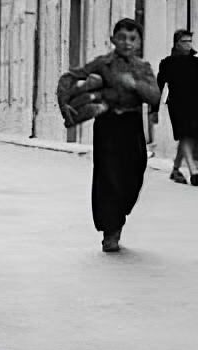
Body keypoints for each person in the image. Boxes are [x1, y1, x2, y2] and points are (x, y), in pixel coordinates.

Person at [61, 18, 160, 253]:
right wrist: (67, 102)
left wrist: (135, 85)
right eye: (122, 37)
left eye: (132, 38)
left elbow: (155, 97)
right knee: (108, 177)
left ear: (139, 42)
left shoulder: (143, 68)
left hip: (132, 125)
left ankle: (119, 215)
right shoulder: (102, 64)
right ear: (113, 39)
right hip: (107, 125)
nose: (127, 42)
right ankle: (111, 231)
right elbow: (71, 78)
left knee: (134, 174)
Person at [155, 29, 198, 186]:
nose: (188, 45)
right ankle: (193, 171)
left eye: (190, 41)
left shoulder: (195, 62)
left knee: (189, 137)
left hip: (195, 105)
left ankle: (176, 169)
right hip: (177, 105)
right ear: (177, 44)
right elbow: (159, 86)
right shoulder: (167, 63)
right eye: (185, 41)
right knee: (184, 135)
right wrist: (153, 109)